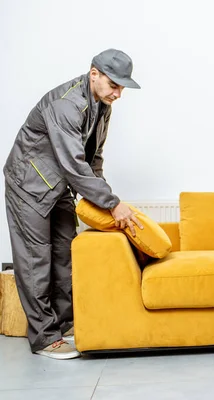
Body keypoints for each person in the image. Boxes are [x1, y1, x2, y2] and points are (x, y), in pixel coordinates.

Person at [3, 49, 143, 360]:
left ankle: (63, 325)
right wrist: (113, 203)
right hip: (28, 184)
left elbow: (93, 160)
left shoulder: (103, 106)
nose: (119, 93)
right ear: (94, 74)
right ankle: (44, 337)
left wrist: (106, 202)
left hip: (59, 185)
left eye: (122, 87)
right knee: (35, 260)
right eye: (114, 84)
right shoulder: (66, 104)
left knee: (67, 253)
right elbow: (72, 163)